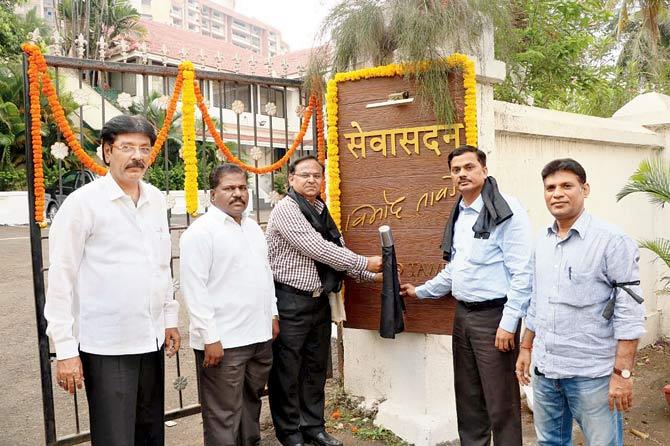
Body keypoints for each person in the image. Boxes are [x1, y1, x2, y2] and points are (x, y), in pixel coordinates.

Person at [44, 115, 180, 445]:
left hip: (150, 341)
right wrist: (64, 350)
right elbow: (61, 278)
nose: (137, 156)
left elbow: (161, 266)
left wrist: (169, 319)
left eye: (144, 149)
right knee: (115, 438)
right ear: (107, 151)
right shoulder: (82, 204)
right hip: (107, 346)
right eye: (127, 147)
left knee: (150, 434)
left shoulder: (156, 199)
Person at [400, 145, 533, 446]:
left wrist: (509, 324)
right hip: (463, 316)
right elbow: (456, 270)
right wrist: (420, 292)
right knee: (468, 399)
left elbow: (523, 274)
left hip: (494, 319)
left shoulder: (506, 211)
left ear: (484, 171)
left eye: (469, 167)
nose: (462, 174)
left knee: (501, 403)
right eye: (456, 170)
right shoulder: (459, 214)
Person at [516, 158, 646, 446]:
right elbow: (537, 301)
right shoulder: (542, 241)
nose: (557, 193)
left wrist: (622, 374)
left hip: (592, 375)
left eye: (566, 186)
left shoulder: (612, 241)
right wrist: (526, 348)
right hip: (546, 370)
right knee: (550, 442)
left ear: (584, 190)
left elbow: (630, 311)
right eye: (550, 187)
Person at [266, 155, 383, 446]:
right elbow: (317, 248)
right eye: (304, 175)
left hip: (319, 301)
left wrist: (372, 277)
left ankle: (313, 427)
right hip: (290, 300)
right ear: (290, 179)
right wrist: (364, 262)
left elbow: (337, 248)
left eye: (317, 175)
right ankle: (290, 434)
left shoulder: (320, 208)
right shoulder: (286, 209)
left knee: (315, 369)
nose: (311, 180)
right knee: (287, 371)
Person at [180, 164, 278, 446]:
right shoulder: (200, 233)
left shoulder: (251, 228)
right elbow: (194, 290)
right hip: (224, 343)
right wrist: (210, 338)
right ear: (213, 194)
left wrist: (272, 313)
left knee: (251, 406)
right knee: (223, 415)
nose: (238, 194)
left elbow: (264, 274)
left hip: (258, 337)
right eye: (229, 188)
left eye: (242, 187)